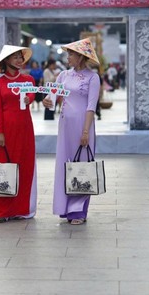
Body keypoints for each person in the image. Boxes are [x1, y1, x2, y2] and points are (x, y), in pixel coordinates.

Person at [43, 38, 101, 225]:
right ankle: (65, 207)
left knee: (81, 165)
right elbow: (53, 97)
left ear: (81, 56)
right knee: (65, 164)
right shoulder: (63, 75)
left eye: (71, 54)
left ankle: (78, 211)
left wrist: (86, 131)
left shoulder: (93, 77)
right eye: (68, 53)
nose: (68, 57)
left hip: (83, 126)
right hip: (65, 125)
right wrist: (47, 101)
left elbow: (91, 107)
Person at [0, 45, 37, 223]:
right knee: (3, 169)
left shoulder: (28, 79)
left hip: (25, 130)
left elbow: (31, 95)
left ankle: (20, 209)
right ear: (6, 61)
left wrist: (28, 99)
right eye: (15, 57)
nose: (19, 60)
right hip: (6, 130)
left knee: (24, 167)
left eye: (20, 57)